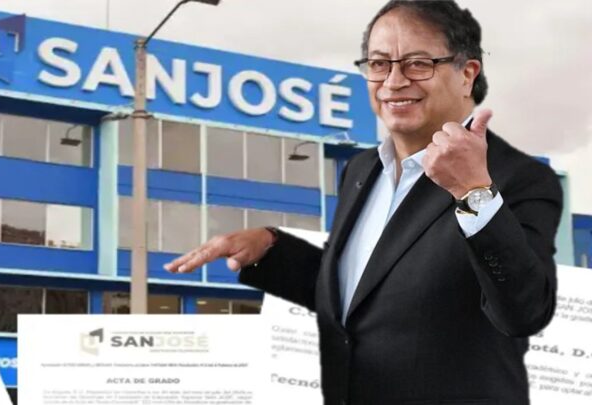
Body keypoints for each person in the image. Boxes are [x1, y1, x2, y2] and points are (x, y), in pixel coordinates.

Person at [164, 1, 562, 404]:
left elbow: (525, 312)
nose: (393, 81)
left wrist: (473, 192)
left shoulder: (516, 179)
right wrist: (270, 246)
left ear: (467, 74)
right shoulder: (361, 169)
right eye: (378, 64)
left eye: (418, 64)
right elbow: (363, 294)